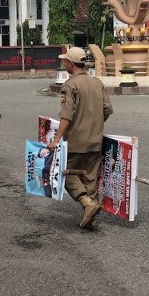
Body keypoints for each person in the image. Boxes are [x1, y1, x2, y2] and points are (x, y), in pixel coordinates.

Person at [47, 47, 113, 230]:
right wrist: (95, 124)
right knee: (90, 179)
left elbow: (66, 116)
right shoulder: (96, 82)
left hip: (76, 142)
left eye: (65, 61)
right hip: (95, 141)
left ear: (70, 63)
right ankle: (90, 214)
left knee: (63, 172)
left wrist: (56, 140)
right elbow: (107, 110)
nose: (64, 63)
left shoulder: (70, 85)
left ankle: (87, 203)